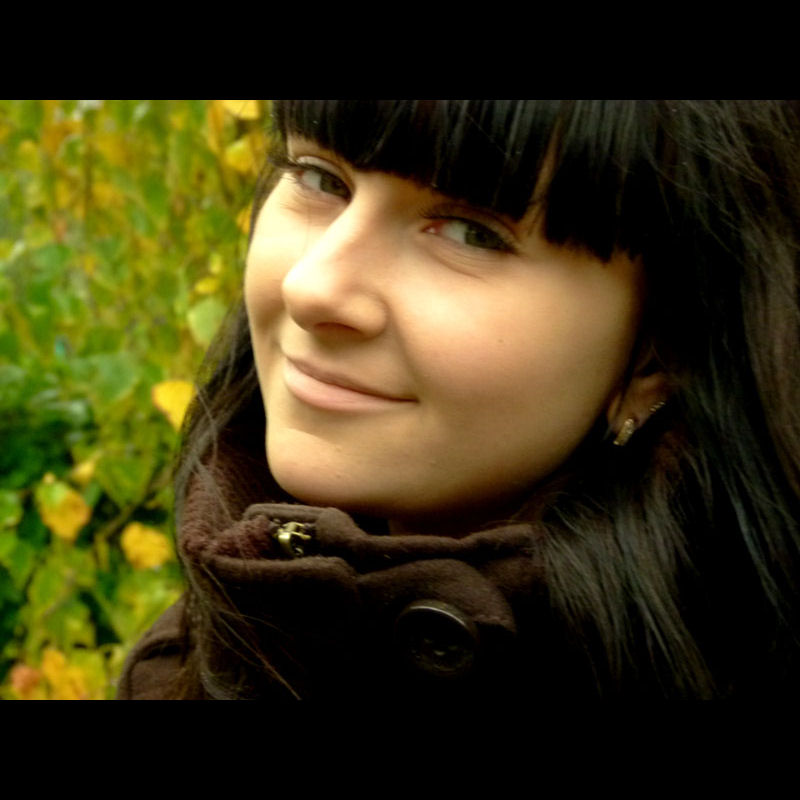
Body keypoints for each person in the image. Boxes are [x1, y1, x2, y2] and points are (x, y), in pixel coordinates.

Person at [117, 100, 800, 700]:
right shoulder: (191, 658)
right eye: (321, 179)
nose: (312, 287)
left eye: (471, 232)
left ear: (661, 354)